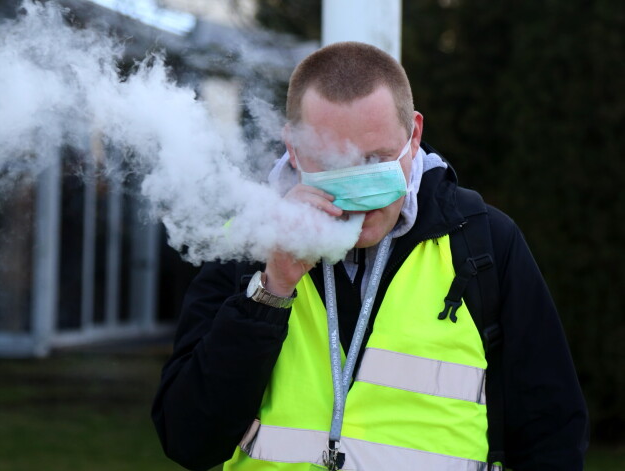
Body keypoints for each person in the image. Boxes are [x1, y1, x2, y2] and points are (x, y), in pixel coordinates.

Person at [152, 41, 589, 471]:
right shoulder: (246, 242)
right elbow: (189, 441)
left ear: (414, 135)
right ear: (294, 147)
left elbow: (551, 434)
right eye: (330, 161)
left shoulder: (482, 241)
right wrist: (272, 289)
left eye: (376, 160)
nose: (357, 193)